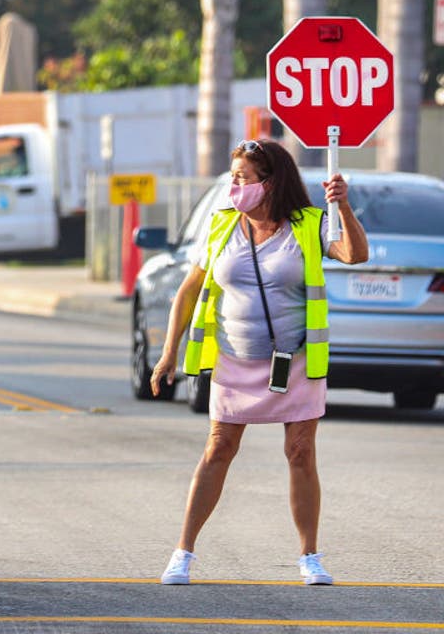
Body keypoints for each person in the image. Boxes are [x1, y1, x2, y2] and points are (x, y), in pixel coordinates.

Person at [150, 139, 368, 586]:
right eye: (233, 177)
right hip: (235, 359)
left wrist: (342, 208)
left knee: (301, 453)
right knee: (219, 448)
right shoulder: (221, 226)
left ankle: (310, 556)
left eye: (242, 178)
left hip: (296, 359)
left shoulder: (309, 224)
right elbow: (189, 290)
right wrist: (168, 351)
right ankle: (183, 553)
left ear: (270, 182)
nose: (235, 186)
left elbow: (355, 254)